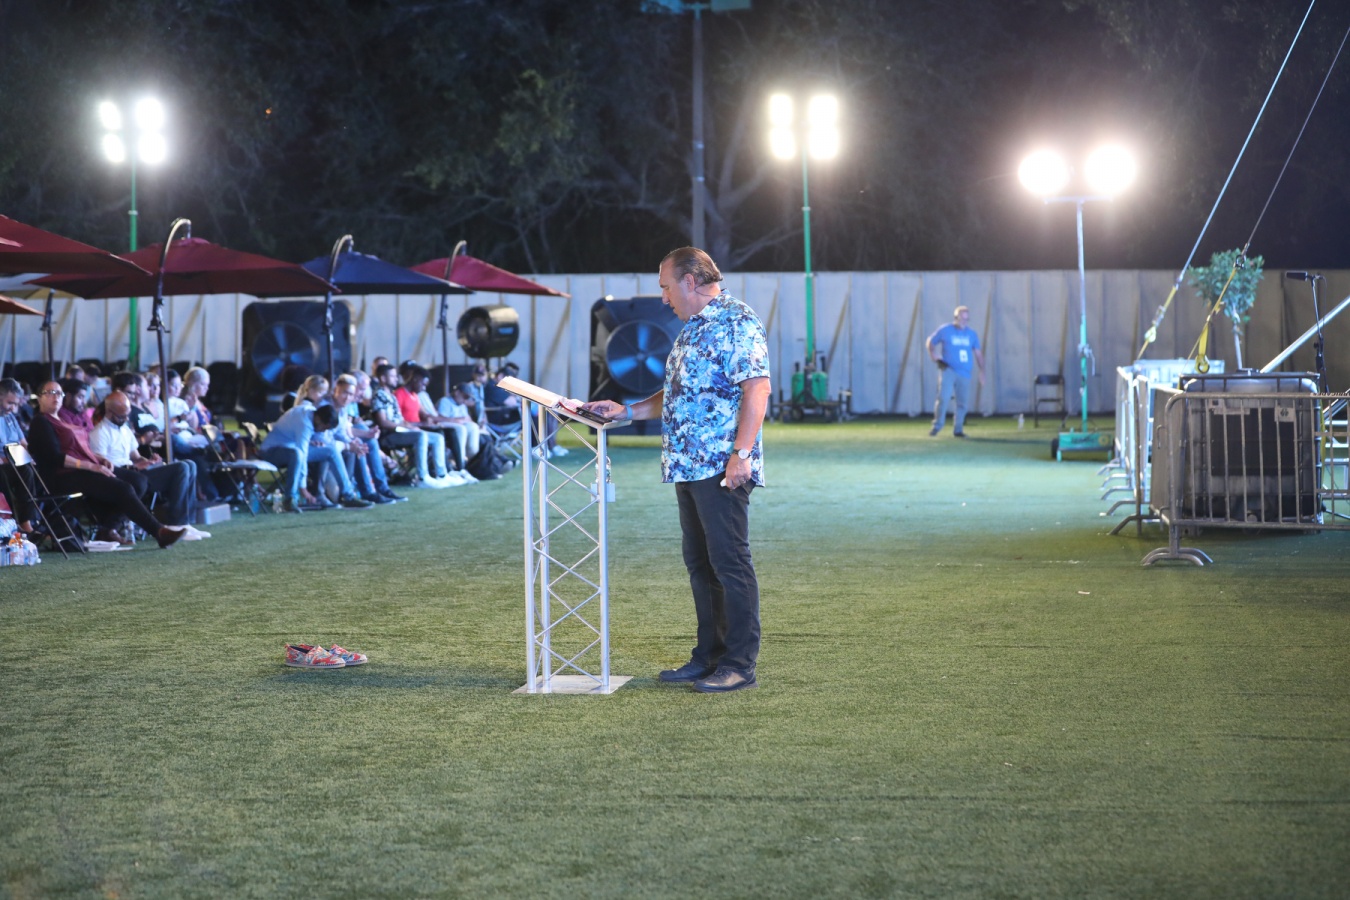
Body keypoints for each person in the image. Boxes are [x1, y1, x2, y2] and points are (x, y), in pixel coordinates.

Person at [583, 247, 770, 693]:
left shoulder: (737, 321)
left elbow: (758, 389)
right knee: (701, 566)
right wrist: (625, 411)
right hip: (687, 465)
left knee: (730, 564)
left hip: (720, 466)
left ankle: (739, 665)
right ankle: (709, 657)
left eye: (665, 287)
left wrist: (742, 454)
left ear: (690, 280)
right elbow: (676, 394)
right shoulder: (692, 327)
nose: (663, 297)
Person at [26, 381, 187, 548]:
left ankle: (109, 526)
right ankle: (159, 532)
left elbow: (78, 449)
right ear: (39, 398)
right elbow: (54, 457)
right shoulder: (41, 422)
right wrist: (92, 466)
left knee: (139, 481)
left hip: (82, 467)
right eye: (50, 392)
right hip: (63, 475)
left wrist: (99, 458)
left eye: (59, 393)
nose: (55, 397)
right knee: (124, 488)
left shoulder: (61, 419)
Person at [88, 390, 204, 538]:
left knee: (190, 464)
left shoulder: (124, 429)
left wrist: (148, 460)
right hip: (123, 477)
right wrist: (134, 467)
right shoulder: (99, 433)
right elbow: (103, 466)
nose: (126, 419)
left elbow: (135, 456)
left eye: (127, 415)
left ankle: (186, 521)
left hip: (136, 471)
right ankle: (176, 523)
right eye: (122, 416)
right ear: (110, 412)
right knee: (181, 468)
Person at [926, 304, 985, 437]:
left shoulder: (971, 334)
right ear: (956, 317)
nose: (964, 321)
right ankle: (937, 426)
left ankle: (958, 429)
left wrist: (982, 370)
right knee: (943, 398)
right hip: (948, 369)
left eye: (966, 319)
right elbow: (930, 341)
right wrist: (933, 355)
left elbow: (978, 353)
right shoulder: (945, 330)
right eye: (961, 318)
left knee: (962, 403)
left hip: (964, 372)